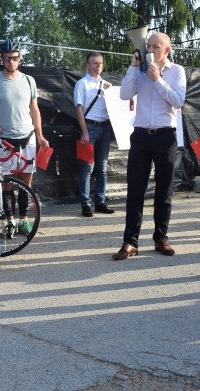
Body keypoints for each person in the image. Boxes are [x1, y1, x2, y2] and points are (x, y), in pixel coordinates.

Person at [112, 32, 186, 260]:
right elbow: (124, 94)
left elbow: (179, 101)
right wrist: (134, 67)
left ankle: (161, 238)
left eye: (155, 46)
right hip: (141, 136)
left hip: (165, 136)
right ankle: (130, 242)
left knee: (164, 191)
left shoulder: (176, 71)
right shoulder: (140, 70)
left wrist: (158, 80)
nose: (150, 50)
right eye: (148, 46)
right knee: (135, 190)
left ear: (167, 49)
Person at [0, 39, 49, 238]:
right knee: (7, 182)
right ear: (1, 59)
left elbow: (35, 110)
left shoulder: (28, 80)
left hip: (28, 137)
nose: (11, 62)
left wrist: (41, 135)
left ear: (20, 58)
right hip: (5, 139)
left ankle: (24, 220)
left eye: (15, 58)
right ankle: (9, 221)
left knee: (26, 181)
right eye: (7, 58)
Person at [73, 51, 115, 217]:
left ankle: (100, 202)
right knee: (87, 168)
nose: (98, 66)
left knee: (102, 168)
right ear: (87, 65)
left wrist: (111, 93)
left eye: (100, 63)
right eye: (95, 63)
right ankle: (85, 204)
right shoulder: (82, 84)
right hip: (89, 127)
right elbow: (78, 108)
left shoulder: (107, 85)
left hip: (105, 127)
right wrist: (84, 132)